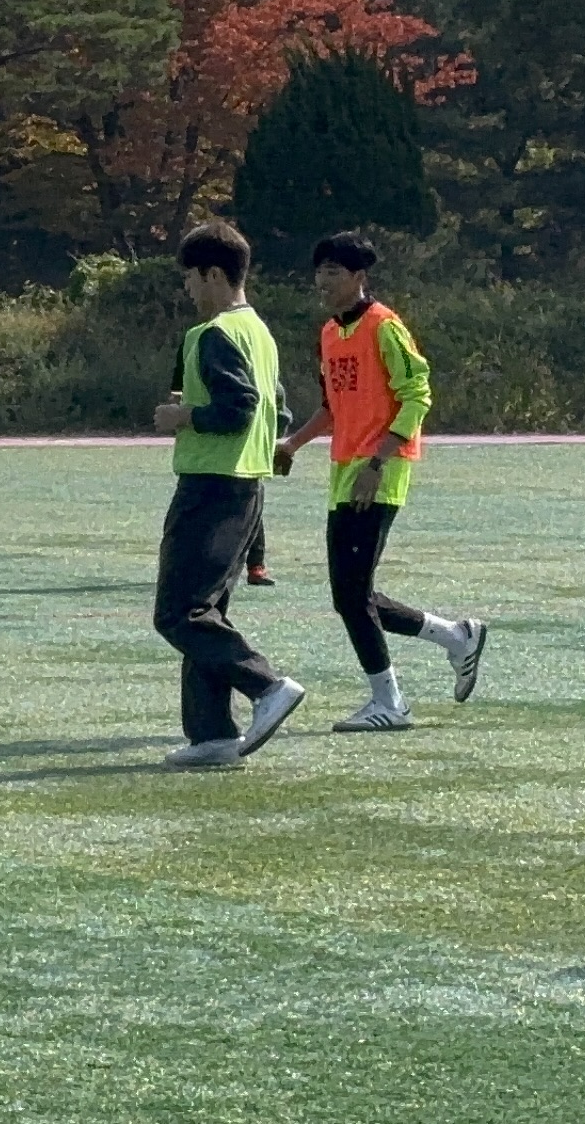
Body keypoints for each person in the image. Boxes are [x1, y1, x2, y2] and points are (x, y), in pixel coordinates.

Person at [271, 232, 485, 732]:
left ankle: (391, 702)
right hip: (345, 470)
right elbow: (331, 407)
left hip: (378, 471)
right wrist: (292, 444)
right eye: (319, 271)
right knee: (352, 595)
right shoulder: (329, 332)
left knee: (351, 595)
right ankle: (456, 637)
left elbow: (417, 396)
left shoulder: (385, 326)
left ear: (358, 276)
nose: (323, 281)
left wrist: (377, 462)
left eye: (333, 272)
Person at [149, 221, 305, 770]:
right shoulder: (259, 332)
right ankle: (212, 734)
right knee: (206, 610)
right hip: (245, 486)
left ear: (214, 274)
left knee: (178, 614)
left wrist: (182, 416)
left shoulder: (212, 333)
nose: (188, 289)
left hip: (211, 486)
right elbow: (278, 410)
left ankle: (266, 686)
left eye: (191, 278)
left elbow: (237, 409)